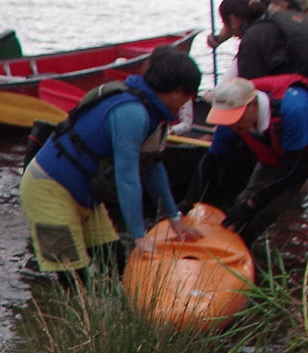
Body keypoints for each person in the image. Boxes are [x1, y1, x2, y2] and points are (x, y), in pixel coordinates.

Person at [19, 46, 203, 277]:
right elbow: (127, 178)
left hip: (84, 196)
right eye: (188, 96)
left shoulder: (153, 113)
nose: (187, 103)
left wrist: (174, 217)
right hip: (48, 189)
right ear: (177, 91)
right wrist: (139, 235)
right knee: (74, 278)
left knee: (116, 261)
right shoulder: (131, 114)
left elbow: (153, 166)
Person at [192, 73, 308, 244]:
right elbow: (212, 158)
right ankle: (238, 248)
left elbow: (290, 170)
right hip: (279, 149)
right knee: (242, 212)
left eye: (235, 119)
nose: (232, 125)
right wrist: (188, 202)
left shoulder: (294, 109)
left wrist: (253, 204)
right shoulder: (231, 116)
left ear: (252, 105)